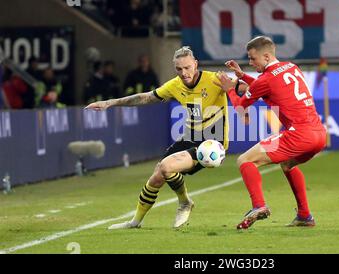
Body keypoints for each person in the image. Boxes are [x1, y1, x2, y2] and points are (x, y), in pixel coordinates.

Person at [85, 46, 231, 229]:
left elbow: (245, 88)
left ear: (195, 64)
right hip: (190, 137)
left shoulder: (214, 79)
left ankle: (185, 202)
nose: (184, 73)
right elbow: (145, 98)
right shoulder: (175, 85)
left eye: (187, 67)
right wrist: (111, 103)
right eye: (179, 69)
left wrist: (243, 102)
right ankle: (135, 222)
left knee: (167, 166)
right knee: (157, 175)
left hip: (212, 143)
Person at [215, 36, 326, 229]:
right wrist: (242, 76)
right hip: (318, 134)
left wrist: (229, 90)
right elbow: (267, 85)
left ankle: (258, 205)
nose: (250, 63)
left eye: (252, 58)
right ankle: (305, 215)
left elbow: (241, 107)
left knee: (245, 160)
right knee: (287, 165)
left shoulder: (266, 79)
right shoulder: (291, 67)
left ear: (266, 56)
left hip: (298, 135)